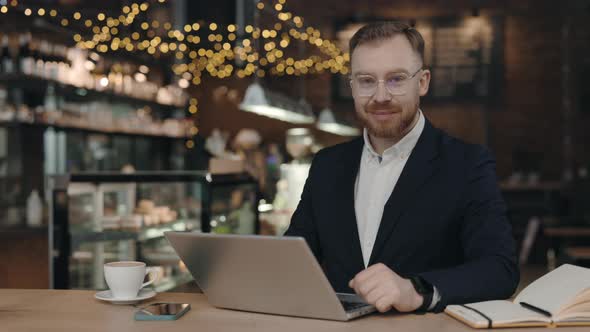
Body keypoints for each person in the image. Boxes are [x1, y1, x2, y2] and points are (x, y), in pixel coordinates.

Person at [284, 21, 519, 314]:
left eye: (396, 79)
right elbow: (292, 258)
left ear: (422, 82)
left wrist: (416, 290)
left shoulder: (467, 164)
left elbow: (500, 270)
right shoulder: (326, 165)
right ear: (353, 86)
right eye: (367, 80)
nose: (380, 96)